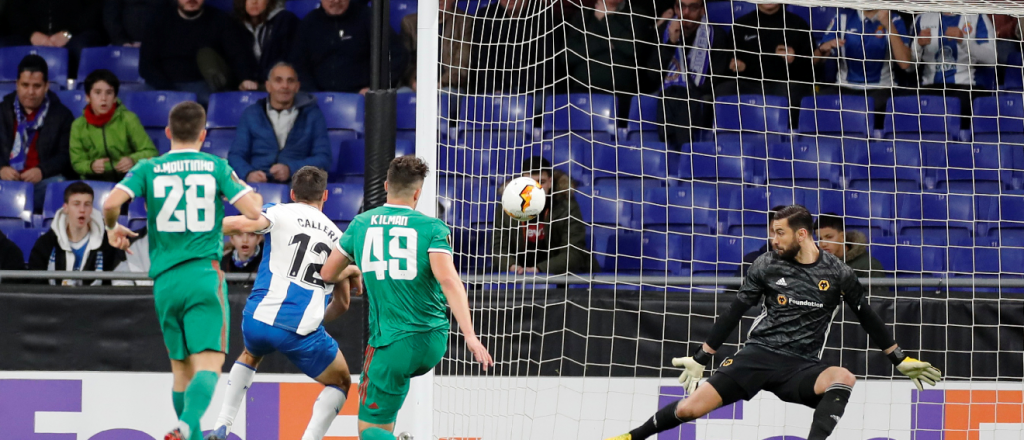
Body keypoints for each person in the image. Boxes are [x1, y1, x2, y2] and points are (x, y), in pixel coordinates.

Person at [606, 205, 942, 440]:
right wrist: (701, 356)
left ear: (801, 234)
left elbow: (867, 316)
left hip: (800, 366)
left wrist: (899, 357)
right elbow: (735, 310)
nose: (773, 240)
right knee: (691, 409)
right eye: (772, 233)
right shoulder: (766, 265)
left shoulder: (839, 274)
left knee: (843, 377)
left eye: (779, 233)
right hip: (757, 356)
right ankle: (631, 437)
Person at [102, 101, 264, 440]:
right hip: (202, 274)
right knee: (209, 365)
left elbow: (110, 203)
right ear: (204, 135)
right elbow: (251, 210)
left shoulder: (148, 167)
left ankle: (187, 435)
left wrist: (112, 228)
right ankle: (189, 424)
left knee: (181, 373)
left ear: (167, 133)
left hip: (163, 282)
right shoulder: (215, 166)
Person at [320, 155, 494, 440]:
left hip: (391, 344)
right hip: (434, 340)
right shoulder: (432, 228)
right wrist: (470, 336)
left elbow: (327, 274)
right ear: (418, 193)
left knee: (370, 431)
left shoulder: (361, 224)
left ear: (386, 185)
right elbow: (449, 280)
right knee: (386, 423)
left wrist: (353, 268)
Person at [207, 166, 361, 440]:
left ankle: (223, 424)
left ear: (292, 193)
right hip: (300, 330)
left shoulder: (278, 211)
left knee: (251, 354)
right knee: (341, 382)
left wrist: (196, 232)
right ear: (324, 196)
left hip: (257, 318)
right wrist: (317, 316)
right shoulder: (339, 240)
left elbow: (240, 225)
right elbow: (343, 304)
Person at [647, 0, 735, 147]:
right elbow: (652, 76)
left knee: (685, 98)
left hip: (700, 94)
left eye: (693, 7)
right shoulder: (664, 31)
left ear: (702, 10)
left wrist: (691, 91)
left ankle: (682, 150)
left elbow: (718, 78)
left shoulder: (715, 35)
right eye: (681, 6)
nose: (686, 13)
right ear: (675, 8)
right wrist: (670, 43)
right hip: (668, 92)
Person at [228, 62, 332, 184]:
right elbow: (235, 155)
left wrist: (291, 169)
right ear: (268, 86)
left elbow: (324, 159)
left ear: (297, 87)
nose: (285, 86)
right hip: (257, 186)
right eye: (278, 80)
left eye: (290, 81)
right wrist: (248, 174)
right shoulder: (251, 114)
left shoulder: (312, 115)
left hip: (297, 186)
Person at [139, 0, 259, 106]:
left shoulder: (221, 19)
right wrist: (170, 91)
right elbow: (146, 65)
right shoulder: (158, 20)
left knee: (219, 105)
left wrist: (245, 77)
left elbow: (237, 53)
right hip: (163, 85)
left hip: (203, 84)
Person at [493, 157, 598, 274]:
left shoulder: (566, 205)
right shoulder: (507, 206)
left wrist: (539, 269)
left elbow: (573, 252)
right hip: (520, 274)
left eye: (541, 182)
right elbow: (499, 249)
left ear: (550, 182)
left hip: (562, 275)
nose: (535, 189)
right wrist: (512, 266)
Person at [0, 55, 75, 210]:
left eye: (37, 86)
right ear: (17, 85)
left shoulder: (62, 115)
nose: (31, 92)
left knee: (59, 185)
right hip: (4, 182)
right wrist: (1, 168)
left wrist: (42, 170)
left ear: (46, 86)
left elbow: (66, 156)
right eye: (25, 85)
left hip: (41, 183)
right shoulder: (1, 111)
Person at [720, 3, 815, 120]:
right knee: (724, 90)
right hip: (749, 84)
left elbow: (811, 72)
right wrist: (737, 67)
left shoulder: (798, 24)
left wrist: (794, 59)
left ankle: (790, 136)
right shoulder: (741, 25)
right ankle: (726, 136)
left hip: (785, 84)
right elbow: (729, 67)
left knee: (791, 92)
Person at [290, 0, 406, 93]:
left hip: (363, 95)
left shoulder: (367, 17)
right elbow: (298, 65)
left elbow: (397, 55)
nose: (336, 1)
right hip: (318, 96)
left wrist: (376, 87)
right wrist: (313, 93)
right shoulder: (309, 23)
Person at [815, 9, 914, 118]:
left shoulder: (894, 19)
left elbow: (904, 63)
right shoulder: (842, 17)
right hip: (845, 87)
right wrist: (822, 49)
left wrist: (889, 25)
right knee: (818, 103)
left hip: (881, 88)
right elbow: (814, 60)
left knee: (879, 107)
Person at [69, 69, 158, 182]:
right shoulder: (78, 125)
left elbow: (151, 152)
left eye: (109, 93)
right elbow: (77, 162)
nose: (103, 98)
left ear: (115, 97)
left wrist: (133, 160)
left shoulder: (129, 119)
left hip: (128, 180)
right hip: (93, 183)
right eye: (97, 92)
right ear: (87, 97)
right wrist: (91, 166)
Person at [565, 0, 658, 105]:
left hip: (621, 93)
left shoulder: (636, 14)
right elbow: (567, 56)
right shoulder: (583, 16)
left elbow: (633, 48)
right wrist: (605, 43)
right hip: (583, 91)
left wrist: (606, 18)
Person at [28, 181, 123, 285]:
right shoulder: (46, 243)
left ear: (91, 209)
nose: (82, 210)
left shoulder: (108, 244)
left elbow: (112, 286)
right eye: (76, 204)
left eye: (87, 204)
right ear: (66, 208)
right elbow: (36, 285)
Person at [472, 0, 563, 94]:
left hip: (535, 88)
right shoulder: (486, 16)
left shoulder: (545, 16)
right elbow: (483, 58)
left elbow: (546, 61)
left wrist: (527, 93)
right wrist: (495, 88)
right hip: (497, 87)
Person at [913, 13, 997, 116]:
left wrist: (964, 42)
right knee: (908, 106)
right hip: (931, 89)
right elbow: (908, 67)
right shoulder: (922, 18)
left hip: (967, 88)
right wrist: (917, 45)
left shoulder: (977, 16)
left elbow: (992, 59)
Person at [3, 0, 106, 79]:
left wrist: (68, 33)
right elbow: (13, 11)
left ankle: (77, 94)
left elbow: (93, 11)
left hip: (74, 35)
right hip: (29, 36)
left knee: (83, 48)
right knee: (4, 46)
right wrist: (31, 34)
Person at [814, 213, 888, 292]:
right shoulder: (815, 265)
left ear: (842, 237)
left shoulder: (869, 266)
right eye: (820, 239)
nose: (823, 244)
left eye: (829, 237)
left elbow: (878, 302)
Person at [233, 0, 299, 87]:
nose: (254, 2)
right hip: (246, 84)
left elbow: (286, 59)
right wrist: (244, 79)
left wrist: (261, 82)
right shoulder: (235, 24)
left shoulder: (285, 20)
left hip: (277, 85)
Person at [739, 205, 786, 276]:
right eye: (773, 231)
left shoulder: (804, 261)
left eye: (782, 232)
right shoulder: (751, 261)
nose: (776, 239)